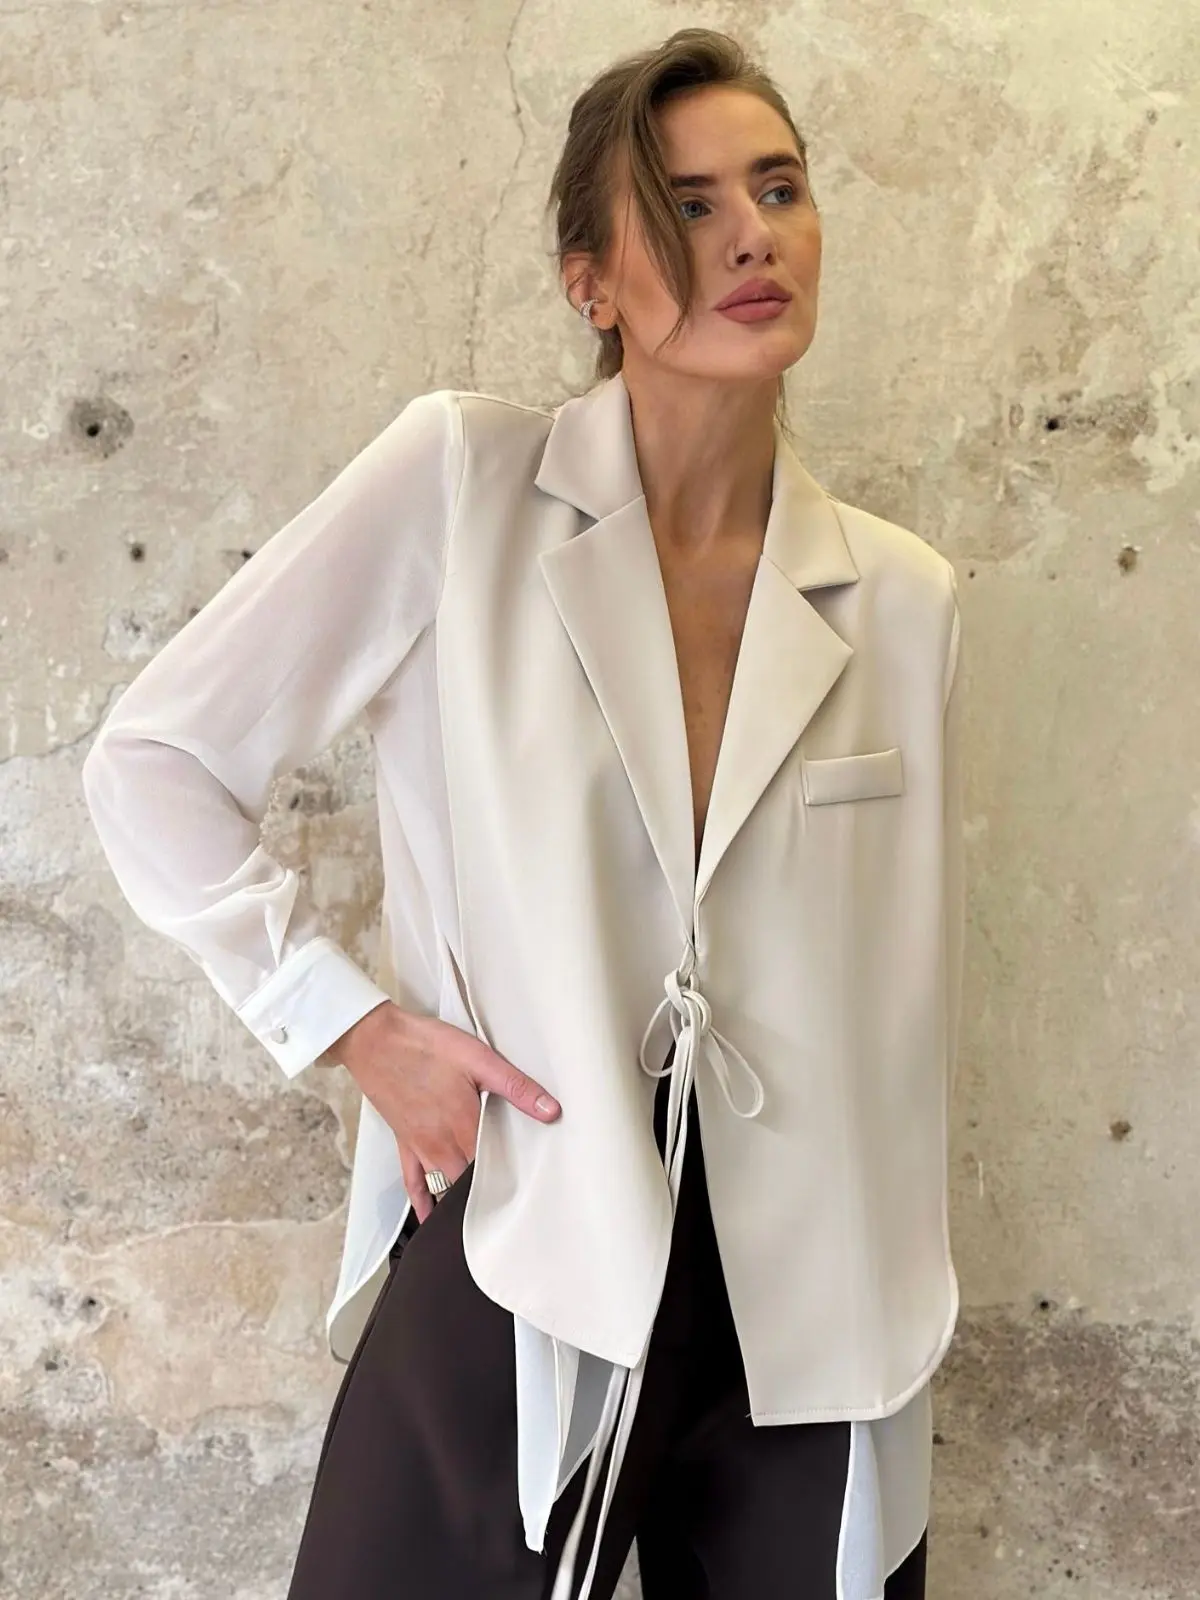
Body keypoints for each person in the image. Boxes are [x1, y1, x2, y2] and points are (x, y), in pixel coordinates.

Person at [81, 26, 965, 1600]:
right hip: (527, 1227)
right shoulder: (463, 489)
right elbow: (151, 763)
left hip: (816, 1307)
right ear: (590, 281)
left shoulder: (903, 597)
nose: (753, 234)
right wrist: (354, 1028)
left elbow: (898, 990)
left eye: (779, 188)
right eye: (689, 205)